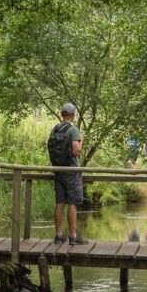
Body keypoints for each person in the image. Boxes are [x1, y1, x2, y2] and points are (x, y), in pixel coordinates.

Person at [47, 103, 88, 245]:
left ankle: (58, 235)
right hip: (71, 171)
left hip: (58, 170)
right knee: (72, 203)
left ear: (61, 114)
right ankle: (73, 236)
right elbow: (76, 151)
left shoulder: (55, 129)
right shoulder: (73, 130)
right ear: (73, 114)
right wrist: (81, 141)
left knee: (60, 202)